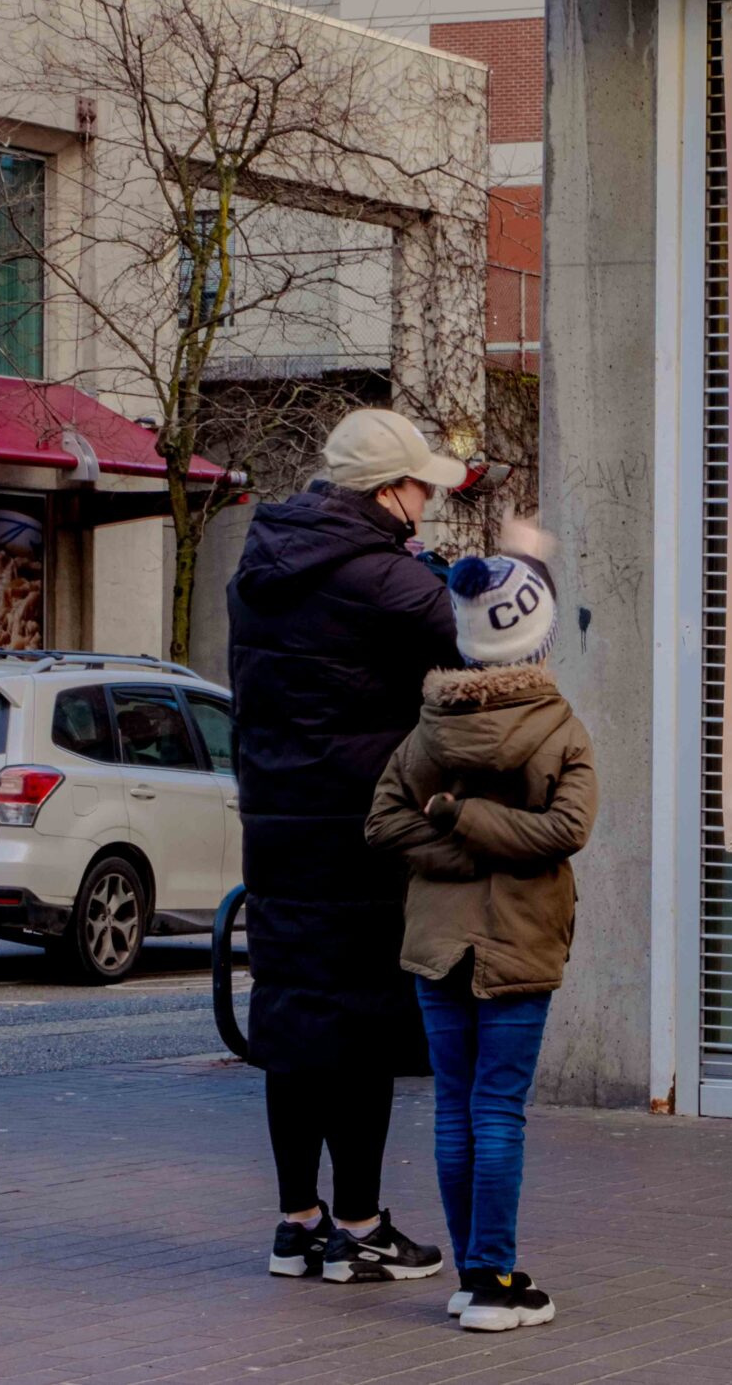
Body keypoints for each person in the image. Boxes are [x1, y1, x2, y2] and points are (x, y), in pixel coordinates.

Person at [228, 408, 465, 1286]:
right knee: (362, 1022)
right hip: (360, 825)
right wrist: (528, 559)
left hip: (276, 820)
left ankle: (298, 1221)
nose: (427, 503)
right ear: (388, 492)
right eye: (422, 488)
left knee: (291, 1014)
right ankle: (360, 1227)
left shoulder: (258, 564)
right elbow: (488, 633)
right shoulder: (380, 575)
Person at [367, 526, 596, 1333]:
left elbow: (385, 820)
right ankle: (495, 1282)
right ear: (538, 634)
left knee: (457, 1109)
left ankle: (473, 1275)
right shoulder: (558, 725)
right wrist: (484, 843)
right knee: (497, 1110)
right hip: (521, 939)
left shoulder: (430, 726)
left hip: (436, 944)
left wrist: (458, 825)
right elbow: (567, 829)